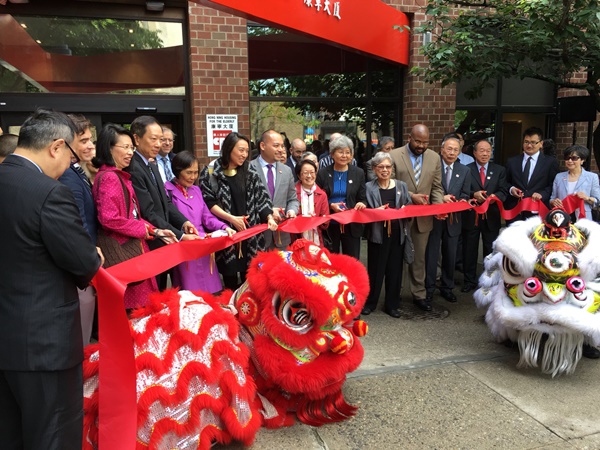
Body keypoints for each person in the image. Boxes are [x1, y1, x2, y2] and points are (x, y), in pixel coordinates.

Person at [0, 109, 102, 449]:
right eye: (72, 155)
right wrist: (93, 257)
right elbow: (83, 262)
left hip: (7, 342)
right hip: (44, 345)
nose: (71, 166)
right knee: (53, 435)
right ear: (57, 147)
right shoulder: (49, 193)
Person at [93, 124, 177, 309]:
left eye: (131, 147)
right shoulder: (109, 177)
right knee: (136, 310)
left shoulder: (117, 175)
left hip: (132, 248)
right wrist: (144, 230)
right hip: (124, 252)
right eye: (125, 147)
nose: (130, 152)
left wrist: (156, 230)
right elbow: (109, 218)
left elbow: (133, 214)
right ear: (109, 148)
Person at [199, 131, 278, 290]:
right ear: (229, 149)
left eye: (247, 151)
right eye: (241, 150)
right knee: (228, 275)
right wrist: (231, 219)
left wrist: (269, 217)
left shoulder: (250, 171)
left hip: (250, 236)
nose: (244, 154)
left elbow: (261, 197)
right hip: (226, 232)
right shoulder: (211, 172)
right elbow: (208, 202)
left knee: (250, 277)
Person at [129, 116, 198, 290]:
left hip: (164, 243)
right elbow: (148, 211)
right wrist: (180, 236)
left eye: (160, 139)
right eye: (153, 139)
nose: (158, 144)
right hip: (151, 242)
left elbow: (166, 202)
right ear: (136, 139)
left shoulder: (152, 165)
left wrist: (184, 223)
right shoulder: (133, 168)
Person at [390, 124, 444, 311]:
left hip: (423, 219)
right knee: (397, 257)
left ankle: (419, 295)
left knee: (419, 258)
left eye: (425, 142)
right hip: (399, 216)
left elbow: (437, 187)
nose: (421, 145)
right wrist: (411, 195)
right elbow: (391, 185)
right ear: (409, 138)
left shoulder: (435, 158)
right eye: (418, 141)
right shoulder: (394, 156)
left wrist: (438, 207)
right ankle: (394, 294)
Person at [165, 151, 235, 293]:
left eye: (195, 173)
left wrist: (224, 226)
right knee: (189, 295)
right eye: (188, 172)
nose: (193, 177)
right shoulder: (167, 191)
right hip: (184, 248)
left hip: (203, 247)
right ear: (177, 171)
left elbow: (207, 217)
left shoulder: (196, 190)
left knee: (213, 294)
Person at [58, 114, 98, 345]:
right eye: (83, 140)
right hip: (82, 260)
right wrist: (89, 256)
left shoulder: (77, 171)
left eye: (91, 140)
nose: (90, 145)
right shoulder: (68, 176)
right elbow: (78, 221)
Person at [362, 152, 412, 318]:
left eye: (388, 166)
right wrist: (375, 212)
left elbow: (409, 206)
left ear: (392, 169)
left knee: (395, 270)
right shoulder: (369, 187)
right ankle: (370, 303)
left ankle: (392, 305)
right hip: (377, 234)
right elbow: (365, 212)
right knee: (376, 270)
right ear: (375, 169)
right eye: (381, 167)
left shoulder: (401, 186)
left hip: (398, 234)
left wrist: (406, 210)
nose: (385, 170)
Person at [424, 136, 471, 303]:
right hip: (434, 218)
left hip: (453, 220)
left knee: (450, 255)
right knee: (432, 254)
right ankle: (428, 288)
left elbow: (466, 194)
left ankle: (447, 287)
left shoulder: (464, 170)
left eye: (456, 150)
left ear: (459, 152)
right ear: (442, 149)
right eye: (449, 149)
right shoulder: (432, 167)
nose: (452, 153)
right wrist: (440, 198)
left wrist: (461, 201)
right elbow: (426, 190)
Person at [461, 139, 508, 293]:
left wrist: (495, 196)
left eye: (488, 150)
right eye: (481, 150)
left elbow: (504, 190)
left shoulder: (499, 170)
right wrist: (473, 194)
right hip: (472, 216)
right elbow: (462, 191)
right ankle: (469, 280)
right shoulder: (466, 169)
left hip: (491, 216)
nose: (485, 153)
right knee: (470, 249)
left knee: (491, 250)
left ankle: (490, 281)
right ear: (474, 153)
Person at [316, 135, 367, 259]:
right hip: (329, 223)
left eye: (348, 152)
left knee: (352, 259)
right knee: (330, 259)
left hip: (351, 224)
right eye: (340, 152)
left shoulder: (358, 173)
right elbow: (317, 198)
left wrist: (362, 204)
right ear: (332, 154)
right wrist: (329, 205)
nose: (344, 156)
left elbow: (362, 197)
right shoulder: (323, 173)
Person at [250, 129, 299, 250]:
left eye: (282, 146)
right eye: (276, 145)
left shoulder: (286, 171)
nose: (281, 150)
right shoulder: (249, 169)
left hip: (281, 237)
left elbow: (293, 199)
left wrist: (292, 211)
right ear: (262, 146)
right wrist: (268, 211)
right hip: (257, 237)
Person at [505, 126, 560, 224]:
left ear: (541, 144)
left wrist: (542, 194)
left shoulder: (550, 162)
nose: (529, 145)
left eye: (533, 142)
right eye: (526, 142)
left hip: (538, 211)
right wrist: (511, 189)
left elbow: (553, 185)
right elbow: (505, 182)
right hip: (516, 211)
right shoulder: (512, 161)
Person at [550, 145, 600, 221]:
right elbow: (552, 198)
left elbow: (598, 201)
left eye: (574, 158)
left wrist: (586, 198)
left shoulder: (592, 177)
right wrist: (554, 202)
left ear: (582, 160)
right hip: (562, 218)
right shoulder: (559, 177)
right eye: (567, 158)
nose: (570, 161)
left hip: (583, 218)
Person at [294, 159, 329, 246]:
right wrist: (303, 219)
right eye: (305, 173)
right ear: (299, 176)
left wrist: (317, 220)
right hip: (296, 239)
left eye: (312, 172)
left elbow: (325, 224)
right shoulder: (293, 193)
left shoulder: (322, 194)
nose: (309, 176)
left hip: (317, 240)